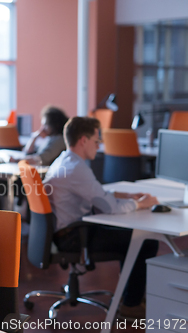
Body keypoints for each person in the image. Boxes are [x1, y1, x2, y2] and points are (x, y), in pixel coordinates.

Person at [43, 116, 159, 319]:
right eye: (97, 141)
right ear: (83, 140)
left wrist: (125, 195)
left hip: (66, 230)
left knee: (132, 235)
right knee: (145, 240)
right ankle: (131, 304)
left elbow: (95, 193)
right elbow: (110, 208)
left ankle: (131, 296)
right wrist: (141, 204)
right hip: (75, 236)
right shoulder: (77, 169)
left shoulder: (64, 160)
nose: (99, 146)